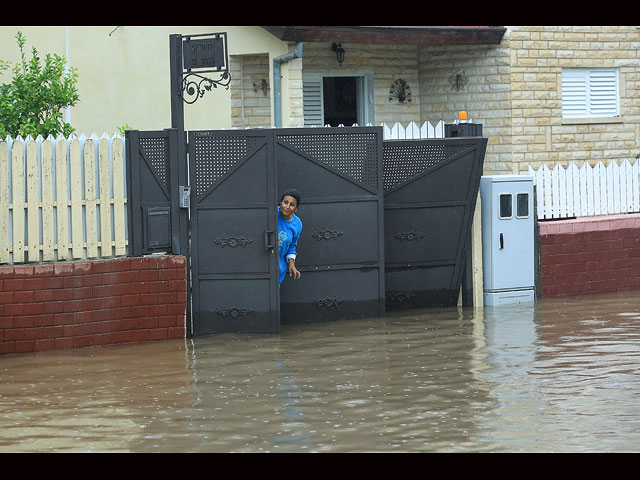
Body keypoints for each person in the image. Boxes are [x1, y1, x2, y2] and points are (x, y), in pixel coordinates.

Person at [278, 188, 302, 285]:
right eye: (285, 202)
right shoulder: (270, 214)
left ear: (296, 208)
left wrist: (291, 263)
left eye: (292, 204)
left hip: (279, 268)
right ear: (280, 202)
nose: (287, 206)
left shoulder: (297, 224)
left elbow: (292, 245)